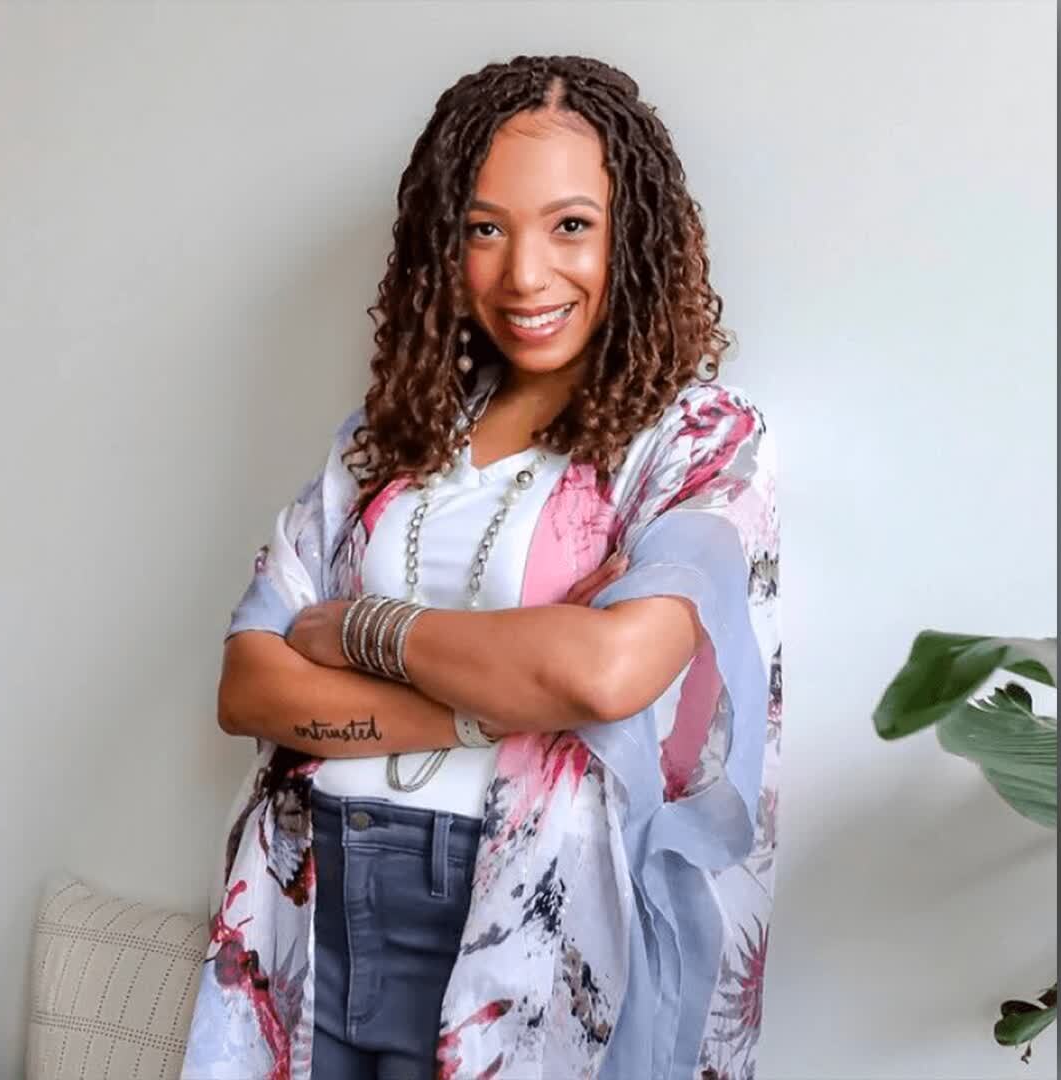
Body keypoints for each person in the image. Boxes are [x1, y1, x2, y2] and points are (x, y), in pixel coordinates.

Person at [182, 54, 781, 1080]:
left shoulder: (698, 444)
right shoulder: (386, 439)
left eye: (571, 225)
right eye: (485, 228)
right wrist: (498, 697)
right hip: (317, 889)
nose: (526, 275)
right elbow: (249, 684)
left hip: (523, 911)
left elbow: (604, 672)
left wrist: (360, 630)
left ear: (633, 235)